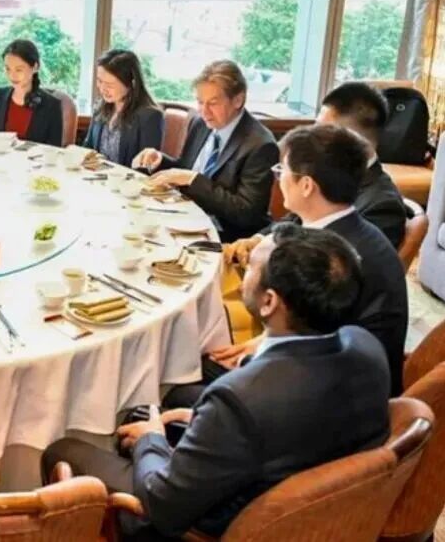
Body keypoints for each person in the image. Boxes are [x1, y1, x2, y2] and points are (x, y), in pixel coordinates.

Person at [42, 224, 390, 540]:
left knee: (63, 450)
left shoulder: (241, 400)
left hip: (219, 525)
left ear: (269, 302)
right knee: (177, 398)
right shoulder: (367, 347)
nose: (242, 272)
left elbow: (161, 505)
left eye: (250, 267)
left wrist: (152, 439)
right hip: (314, 504)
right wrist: (203, 423)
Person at [201, 125, 408, 397]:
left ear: (307, 185)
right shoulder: (337, 227)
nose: (278, 179)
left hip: (338, 390)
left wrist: (253, 356)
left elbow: (316, 350)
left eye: (282, 170)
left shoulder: (332, 259)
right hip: (324, 361)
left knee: (192, 363)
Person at [132, 60, 278, 242]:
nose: (204, 111)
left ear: (238, 100)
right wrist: (160, 160)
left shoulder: (260, 144)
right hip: (184, 217)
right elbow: (186, 168)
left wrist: (193, 180)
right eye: (200, 102)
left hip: (224, 235)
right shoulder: (200, 123)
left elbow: (246, 212)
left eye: (213, 103)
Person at [82, 49, 164, 167]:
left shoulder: (150, 116)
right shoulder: (100, 107)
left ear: (131, 84)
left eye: (109, 85)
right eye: (99, 81)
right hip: (94, 176)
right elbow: (87, 148)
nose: (102, 89)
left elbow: (146, 165)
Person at [0, 39, 64, 147]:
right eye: (8, 69)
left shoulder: (52, 105)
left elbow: (53, 149)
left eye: (19, 70)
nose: (12, 75)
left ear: (35, 67)